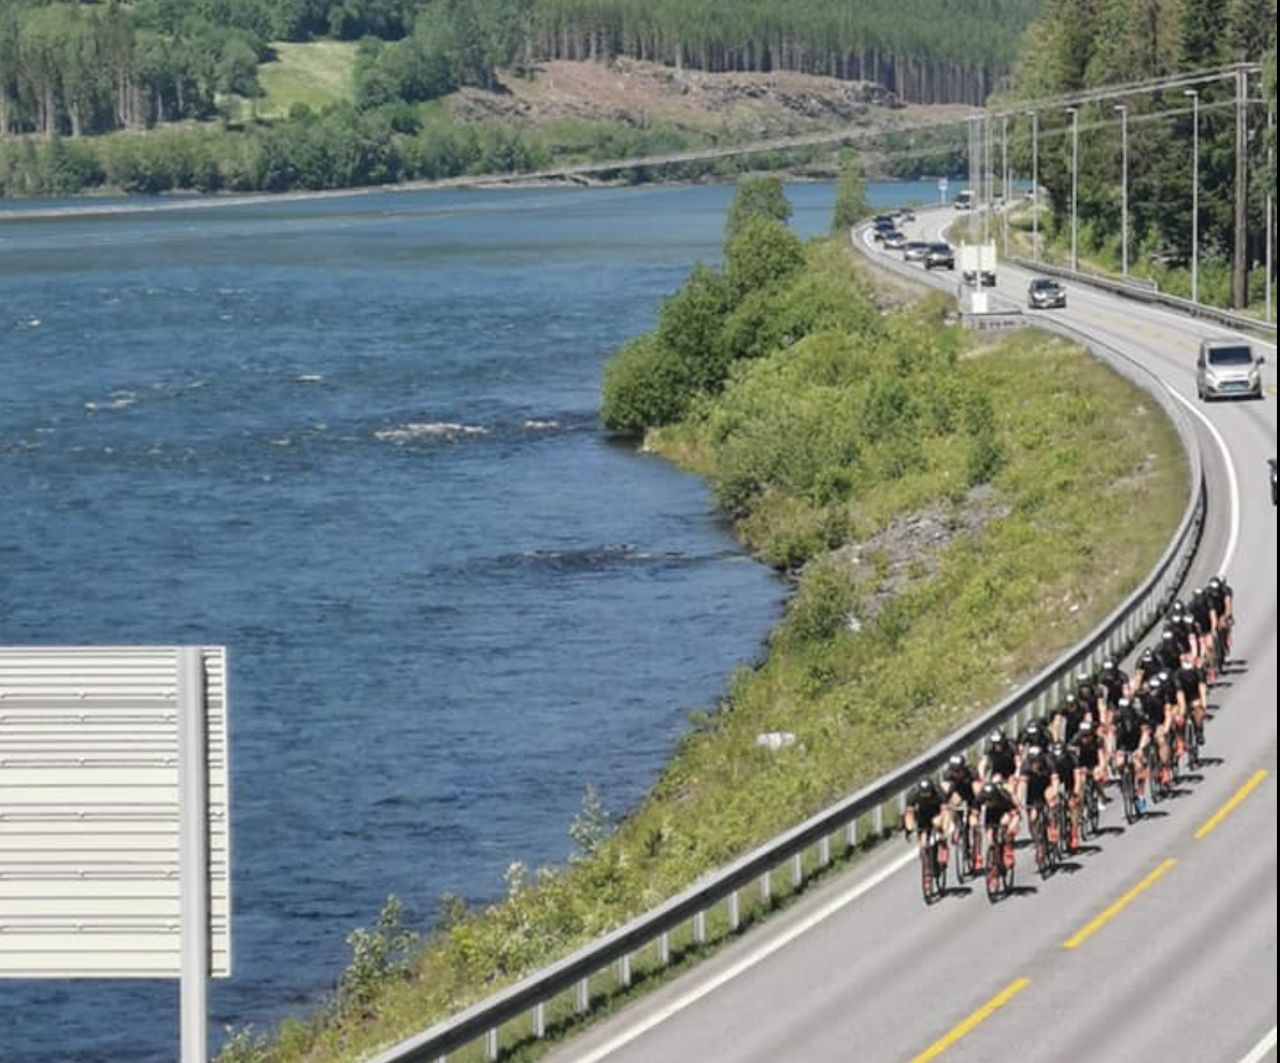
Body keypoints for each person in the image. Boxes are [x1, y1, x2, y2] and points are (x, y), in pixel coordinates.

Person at [941, 752, 981, 866]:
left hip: (971, 795)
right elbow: (944, 793)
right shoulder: (948, 774)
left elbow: (978, 793)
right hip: (958, 793)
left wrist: (975, 809)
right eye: (954, 771)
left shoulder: (972, 772)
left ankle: (977, 852)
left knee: (974, 824)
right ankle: (957, 826)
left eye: (958, 771)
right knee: (952, 803)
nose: (956, 774)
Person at [976, 778, 1019, 871]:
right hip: (991, 815)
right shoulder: (980, 797)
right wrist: (975, 824)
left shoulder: (1004, 797)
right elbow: (974, 812)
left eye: (990, 800)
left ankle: (1007, 849)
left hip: (1004, 812)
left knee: (1005, 825)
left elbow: (1015, 814)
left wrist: (1011, 827)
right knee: (990, 839)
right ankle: (994, 861)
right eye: (986, 801)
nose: (987, 803)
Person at [1048, 739, 1081, 850]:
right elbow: (1050, 780)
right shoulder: (1049, 759)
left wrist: (1075, 793)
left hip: (1069, 778)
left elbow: (1077, 778)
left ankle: (1074, 832)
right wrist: (1053, 794)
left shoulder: (1072, 758)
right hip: (1054, 777)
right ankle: (1053, 823)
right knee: (1051, 799)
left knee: (1073, 803)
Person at [904, 776, 948, 860]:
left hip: (936, 811)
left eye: (928, 793)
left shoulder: (939, 791)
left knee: (937, 824)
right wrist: (909, 829)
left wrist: (944, 828)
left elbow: (945, 811)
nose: (926, 796)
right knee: (923, 841)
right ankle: (926, 860)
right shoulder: (912, 794)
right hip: (922, 814)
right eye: (923, 794)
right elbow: (909, 814)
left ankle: (943, 845)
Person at [1070, 719, 1108, 809]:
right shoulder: (1076, 739)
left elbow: (1102, 758)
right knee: (1080, 780)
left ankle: (1100, 795)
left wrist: (1101, 768)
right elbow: (1070, 751)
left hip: (1094, 762)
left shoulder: (1097, 740)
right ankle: (1080, 801)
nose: (1085, 739)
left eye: (1087, 736)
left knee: (1097, 776)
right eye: (1083, 736)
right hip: (1081, 762)